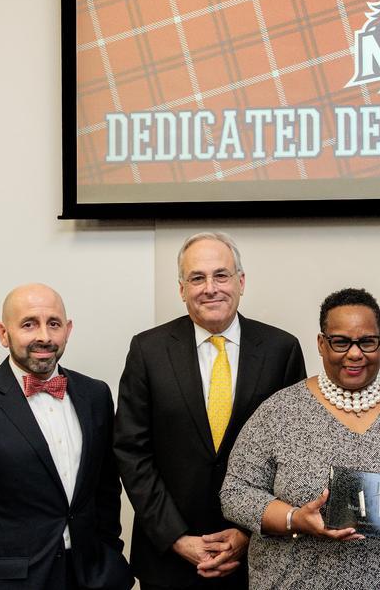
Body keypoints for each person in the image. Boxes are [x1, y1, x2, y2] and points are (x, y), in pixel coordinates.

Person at [219, 288, 380, 589]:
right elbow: (235, 493)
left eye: (367, 341)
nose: (355, 353)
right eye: (341, 342)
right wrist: (295, 519)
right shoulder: (278, 412)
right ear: (321, 344)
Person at [115, 232, 307, 589]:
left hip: (258, 556)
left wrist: (248, 532)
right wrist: (177, 538)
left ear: (241, 281)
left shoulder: (282, 349)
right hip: (168, 558)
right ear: (181, 288)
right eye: (197, 278)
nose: (210, 288)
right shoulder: (148, 350)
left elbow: (295, 456)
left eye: (221, 275)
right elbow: (132, 452)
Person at [0, 283, 131, 590]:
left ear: (68, 330)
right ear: (3, 333)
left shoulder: (96, 395)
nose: (44, 336)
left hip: (90, 576)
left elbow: (105, 491)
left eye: (54, 324)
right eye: (29, 324)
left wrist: (109, 555)